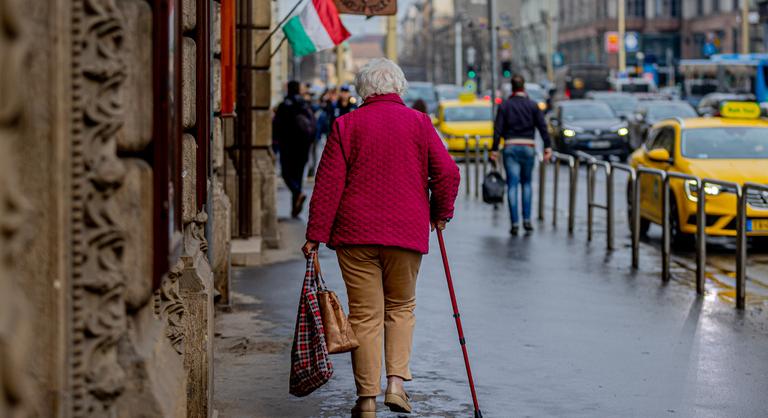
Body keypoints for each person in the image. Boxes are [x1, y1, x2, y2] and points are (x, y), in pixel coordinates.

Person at [302, 58, 460, 418]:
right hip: (406, 231)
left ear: (363, 90)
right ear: (398, 87)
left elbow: (328, 186)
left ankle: (367, 400)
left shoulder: (346, 125)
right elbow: (448, 173)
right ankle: (396, 385)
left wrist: (315, 235)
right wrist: (440, 213)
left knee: (364, 315)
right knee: (401, 308)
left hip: (355, 233)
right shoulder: (419, 123)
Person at [491, 74, 552, 235]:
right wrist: (547, 147)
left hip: (510, 147)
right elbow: (543, 127)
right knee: (526, 184)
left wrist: (494, 149)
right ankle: (527, 220)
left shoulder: (505, 106)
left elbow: (498, 130)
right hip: (528, 147)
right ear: (523, 87)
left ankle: (515, 223)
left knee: (512, 184)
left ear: (512, 87)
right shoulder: (533, 105)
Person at [273, 80, 316, 217]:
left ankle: (297, 193)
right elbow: (312, 123)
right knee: (298, 175)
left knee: (286, 174)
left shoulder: (285, 105)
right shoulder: (304, 104)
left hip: (287, 145)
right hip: (303, 146)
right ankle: (295, 209)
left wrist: (276, 142)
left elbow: (277, 125)